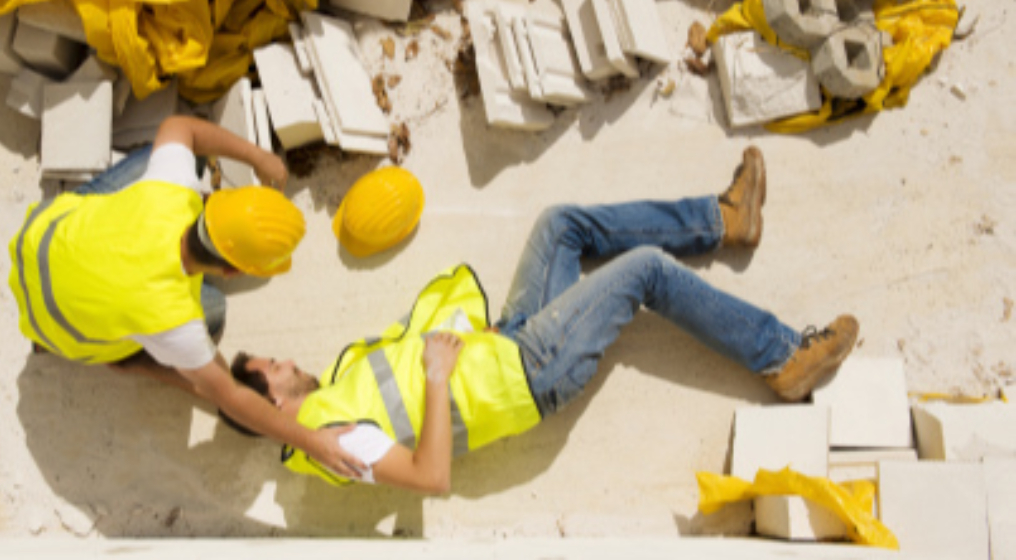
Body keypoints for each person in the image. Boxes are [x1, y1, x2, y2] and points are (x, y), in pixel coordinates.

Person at [228, 147, 859, 492]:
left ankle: (725, 221)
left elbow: (407, 377)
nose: (285, 362)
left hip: (506, 342)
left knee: (561, 225)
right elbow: (431, 477)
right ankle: (781, 357)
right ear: (274, 409)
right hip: (533, 371)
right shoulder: (331, 438)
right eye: (272, 371)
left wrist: (466, 344)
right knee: (645, 270)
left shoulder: (333, 396)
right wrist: (442, 374)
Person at [8, 112, 365, 479]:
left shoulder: (172, 190)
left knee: (173, 153)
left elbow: (182, 126)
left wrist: (257, 156)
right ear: (232, 271)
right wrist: (312, 442)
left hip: (38, 240)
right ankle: (117, 355)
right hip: (53, 328)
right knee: (214, 312)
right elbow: (232, 397)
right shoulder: (174, 320)